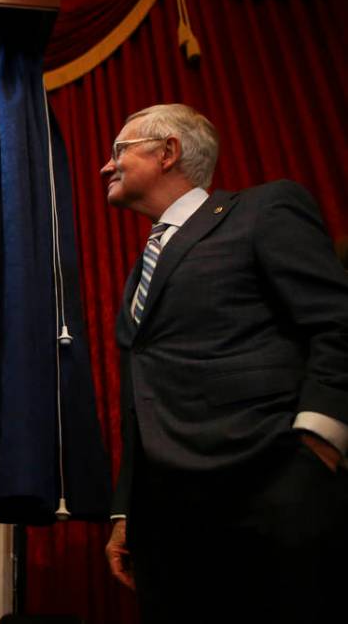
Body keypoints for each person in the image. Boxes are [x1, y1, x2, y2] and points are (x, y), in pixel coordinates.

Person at [100, 104, 348, 623]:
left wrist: (317, 449)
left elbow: (336, 322)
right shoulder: (145, 264)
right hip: (168, 523)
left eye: (120, 150)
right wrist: (128, 511)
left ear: (167, 152)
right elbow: (140, 397)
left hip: (268, 494)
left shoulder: (264, 211)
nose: (107, 166)